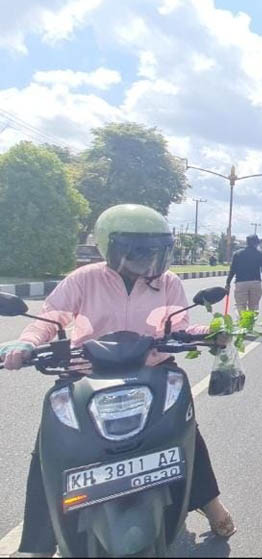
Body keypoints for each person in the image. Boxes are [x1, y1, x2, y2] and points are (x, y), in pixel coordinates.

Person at [0, 204, 236, 556]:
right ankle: (37, 542)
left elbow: (181, 327)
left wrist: (212, 333)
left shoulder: (168, 282)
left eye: (158, 250)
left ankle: (210, 503)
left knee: (187, 435)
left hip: (151, 375)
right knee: (50, 451)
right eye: (140, 251)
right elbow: (49, 319)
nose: (150, 260)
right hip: (85, 376)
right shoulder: (84, 279)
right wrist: (26, 343)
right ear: (110, 247)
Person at [225, 234, 262, 314]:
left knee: (240, 307)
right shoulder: (260, 255)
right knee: (254, 308)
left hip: (241, 283)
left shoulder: (238, 254)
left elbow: (232, 270)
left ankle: (242, 324)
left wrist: (228, 283)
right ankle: (250, 324)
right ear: (257, 243)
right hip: (255, 283)